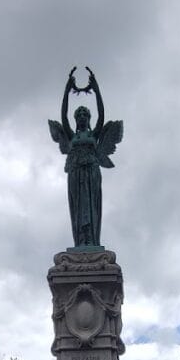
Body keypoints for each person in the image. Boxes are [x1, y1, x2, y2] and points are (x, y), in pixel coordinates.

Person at [49, 67, 123, 248]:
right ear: (76, 119)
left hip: (91, 171)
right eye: (79, 114)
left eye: (85, 114)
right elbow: (63, 115)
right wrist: (67, 90)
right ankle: (81, 241)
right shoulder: (72, 136)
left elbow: (102, 113)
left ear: (89, 118)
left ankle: (92, 241)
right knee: (77, 206)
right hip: (75, 172)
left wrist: (96, 88)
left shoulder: (94, 135)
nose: (82, 116)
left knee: (91, 206)